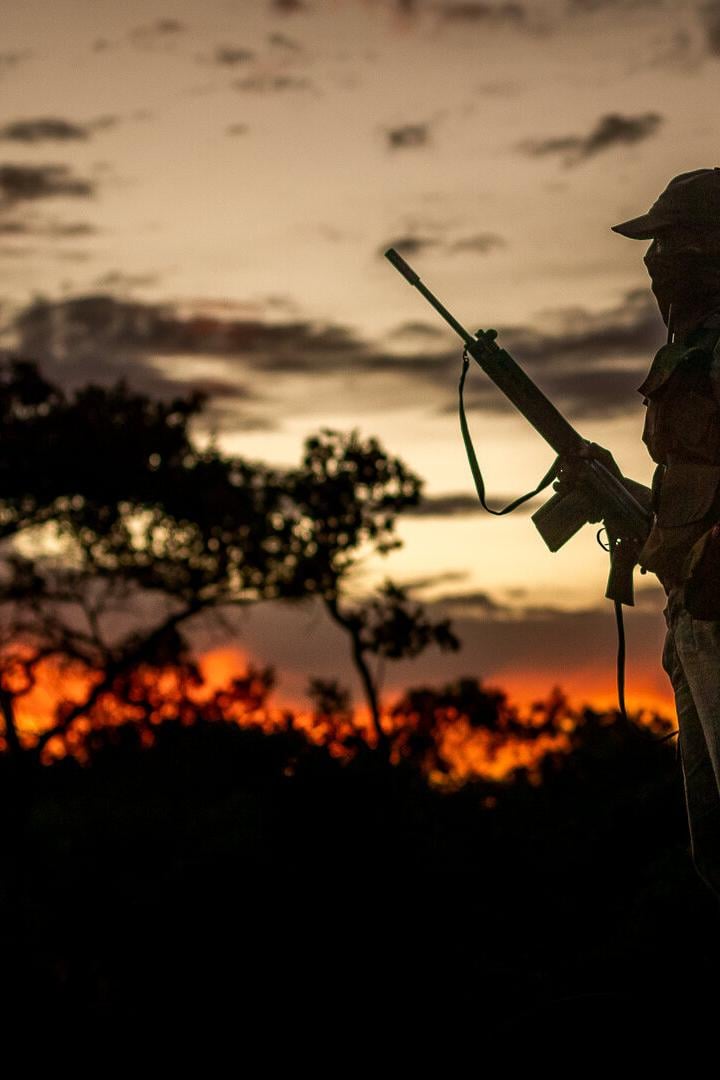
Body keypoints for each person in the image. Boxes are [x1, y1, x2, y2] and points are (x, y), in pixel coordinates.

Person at [602, 168, 720, 900]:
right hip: (694, 623)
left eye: (670, 242)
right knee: (714, 845)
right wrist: (620, 499)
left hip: (718, 614)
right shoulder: (694, 348)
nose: (655, 262)